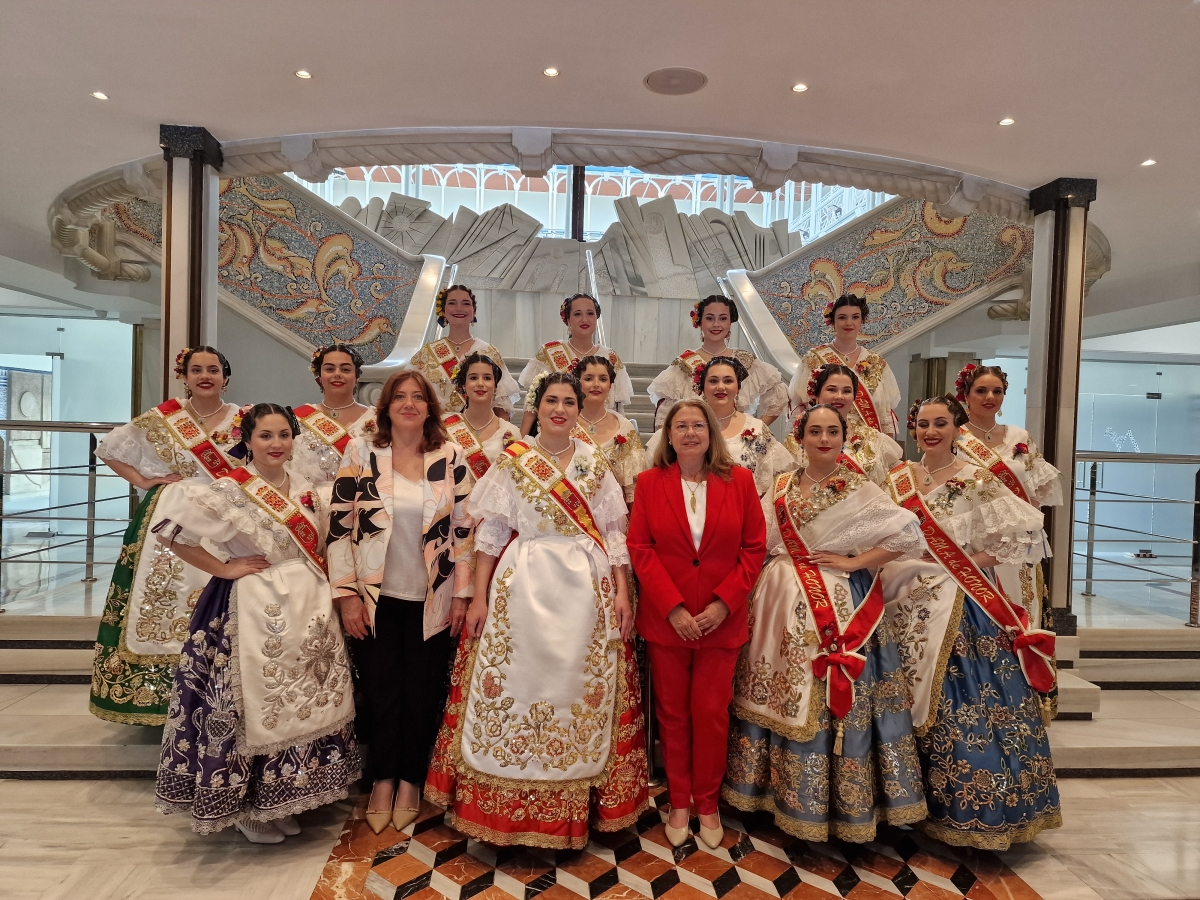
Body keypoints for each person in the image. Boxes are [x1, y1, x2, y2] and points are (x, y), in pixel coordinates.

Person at [426, 372, 649, 849]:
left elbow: (614, 534)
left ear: (578, 409)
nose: (560, 409)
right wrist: (479, 597)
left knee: (577, 692)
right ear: (538, 406)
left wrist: (622, 592)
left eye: (569, 401)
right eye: (551, 400)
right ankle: (500, 809)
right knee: (516, 686)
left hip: (585, 593)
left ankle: (575, 811)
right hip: (522, 587)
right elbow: (490, 535)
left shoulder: (594, 462)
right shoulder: (514, 459)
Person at [152, 404, 358, 843]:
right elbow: (172, 533)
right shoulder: (231, 489)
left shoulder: (307, 488)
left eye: (284, 435)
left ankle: (280, 798)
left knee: (302, 700)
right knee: (253, 703)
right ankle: (244, 808)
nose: (276, 444)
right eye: (265, 436)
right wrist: (225, 568)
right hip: (254, 607)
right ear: (247, 440)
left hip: (310, 607)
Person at [723, 405, 926, 842]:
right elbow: (756, 537)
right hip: (778, 601)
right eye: (815, 431)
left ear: (843, 437)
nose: (824, 439)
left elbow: (908, 535)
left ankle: (838, 805)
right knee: (773, 690)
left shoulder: (858, 486)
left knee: (831, 694)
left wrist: (855, 561)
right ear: (800, 437)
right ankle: (765, 792)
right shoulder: (781, 486)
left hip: (839, 601)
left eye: (832, 431)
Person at [881, 397, 1060, 849]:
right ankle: (904, 802)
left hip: (961, 601)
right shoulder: (898, 478)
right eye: (923, 424)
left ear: (956, 428)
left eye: (940, 423)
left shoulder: (976, 479)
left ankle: (973, 808)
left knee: (963, 700)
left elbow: (1017, 538)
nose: (930, 432)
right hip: (901, 599)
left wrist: (956, 563)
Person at [326, 369, 477, 835]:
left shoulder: (450, 456)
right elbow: (339, 526)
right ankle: (382, 781)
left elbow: (466, 531)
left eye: (418, 397)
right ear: (386, 407)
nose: (409, 404)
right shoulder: (361, 452)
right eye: (399, 397)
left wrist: (463, 594)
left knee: (422, 693)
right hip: (374, 599)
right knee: (381, 691)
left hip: (433, 599)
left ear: (430, 407)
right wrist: (346, 595)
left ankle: (411, 780)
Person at [627, 399, 766, 849]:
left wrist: (724, 604)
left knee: (710, 714)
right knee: (672, 714)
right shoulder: (650, 483)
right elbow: (640, 548)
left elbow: (754, 547)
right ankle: (679, 801)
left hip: (720, 621)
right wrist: (672, 607)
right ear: (668, 436)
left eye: (698, 425)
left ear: (711, 434)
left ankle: (707, 802)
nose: (690, 433)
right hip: (669, 621)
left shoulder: (739, 481)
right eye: (681, 426)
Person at [89, 346, 242, 726]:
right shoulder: (162, 418)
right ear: (184, 377)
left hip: (225, 516)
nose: (205, 376)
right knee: (162, 599)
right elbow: (109, 448)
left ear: (225, 377)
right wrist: (143, 480)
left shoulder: (244, 417)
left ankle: (221, 696)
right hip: (170, 514)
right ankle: (157, 699)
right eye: (196, 370)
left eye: (213, 369)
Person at [953, 364, 1063, 625]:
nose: (990, 397)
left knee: (1021, 605)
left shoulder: (1019, 436)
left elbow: (1037, 484)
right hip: (974, 537)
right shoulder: (954, 437)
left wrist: (1026, 524)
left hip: (1016, 537)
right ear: (966, 395)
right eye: (981, 391)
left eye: (997, 391)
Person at [647, 356, 795, 497]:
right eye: (713, 381)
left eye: (728, 381)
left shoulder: (756, 429)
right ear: (702, 386)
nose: (720, 387)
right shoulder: (685, 427)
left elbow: (780, 476)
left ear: (738, 387)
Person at [647, 295, 787, 430]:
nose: (716, 324)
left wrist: (754, 429)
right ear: (699, 322)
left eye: (723, 318)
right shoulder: (684, 364)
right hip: (697, 439)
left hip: (736, 440)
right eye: (709, 318)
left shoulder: (745, 360)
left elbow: (778, 395)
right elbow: (664, 416)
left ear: (730, 323)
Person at [518, 293, 634, 434]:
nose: (584, 319)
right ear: (568, 319)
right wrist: (522, 438)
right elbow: (532, 404)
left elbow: (617, 407)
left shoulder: (610, 357)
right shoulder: (550, 351)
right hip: (557, 430)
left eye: (590, 313)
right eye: (578, 314)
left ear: (596, 318)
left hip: (599, 432)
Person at [788, 294, 901, 437]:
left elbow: (884, 415)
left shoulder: (876, 362)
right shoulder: (814, 359)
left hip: (867, 442)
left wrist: (886, 448)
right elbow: (800, 409)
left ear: (862, 321)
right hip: (824, 437)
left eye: (855, 317)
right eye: (842, 317)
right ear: (832, 321)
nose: (849, 323)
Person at [411, 284, 520, 417]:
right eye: (452, 303)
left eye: (466, 303)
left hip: (479, 428)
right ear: (443, 311)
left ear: (474, 312)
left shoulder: (488, 352)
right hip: (435, 428)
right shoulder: (427, 354)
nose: (459, 308)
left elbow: (501, 407)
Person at [786, 364, 902, 485]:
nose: (839, 396)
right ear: (816, 395)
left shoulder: (874, 439)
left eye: (846, 391)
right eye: (832, 390)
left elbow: (893, 482)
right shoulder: (795, 441)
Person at [291, 343, 377, 488]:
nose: (337, 374)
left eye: (345, 369)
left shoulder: (376, 418)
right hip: (307, 498)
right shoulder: (297, 418)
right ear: (319, 376)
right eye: (330, 369)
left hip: (362, 497)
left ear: (356, 376)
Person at [571, 354, 646, 506]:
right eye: (588, 378)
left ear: (610, 386)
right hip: (571, 509)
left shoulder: (624, 428)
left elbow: (633, 489)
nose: (596, 384)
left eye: (603, 379)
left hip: (615, 512)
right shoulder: (566, 424)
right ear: (578, 383)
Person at [442, 352, 521, 478]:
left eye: (487, 378)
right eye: (473, 378)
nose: (480, 383)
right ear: (464, 385)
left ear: (495, 386)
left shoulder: (511, 432)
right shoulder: (445, 425)